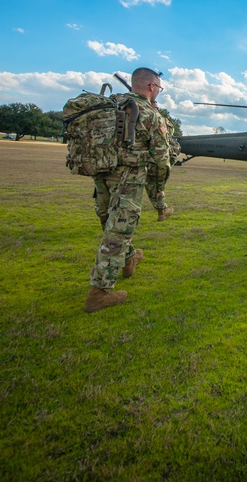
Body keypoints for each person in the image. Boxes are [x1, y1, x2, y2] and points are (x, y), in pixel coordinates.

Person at [85, 67, 169, 313]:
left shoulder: (110, 105)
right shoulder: (149, 114)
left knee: (110, 223)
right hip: (129, 180)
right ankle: (98, 294)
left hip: (101, 175)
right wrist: (159, 196)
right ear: (152, 87)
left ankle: (130, 258)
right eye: (159, 88)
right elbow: (161, 160)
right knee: (117, 234)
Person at [146, 114, 180, 221]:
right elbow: (170, 139)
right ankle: (162, 212)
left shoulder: (141, 119)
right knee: (159, 188)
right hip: (161, 161)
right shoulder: (163, 122)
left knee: (151, 186)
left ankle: (162, 211)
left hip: (148, 161)